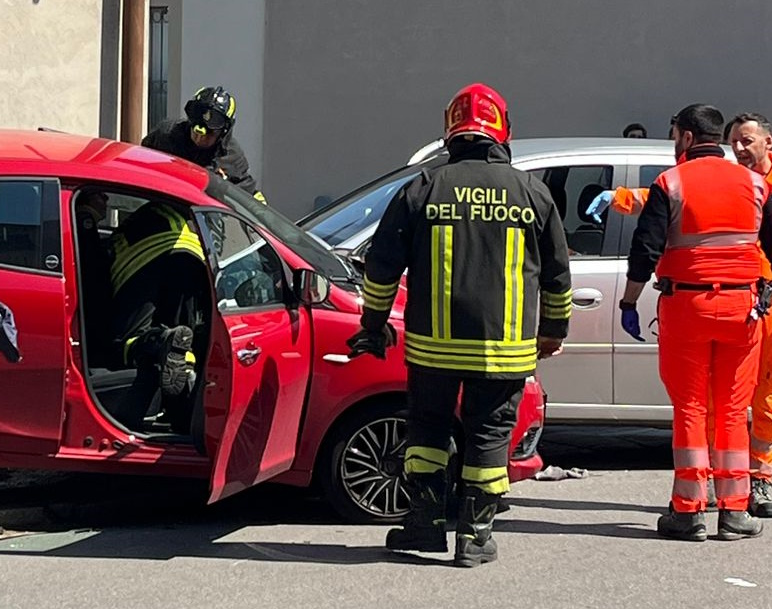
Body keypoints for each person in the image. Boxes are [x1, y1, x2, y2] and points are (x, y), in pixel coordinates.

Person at [346, 83, 572, 567]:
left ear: (450, 132)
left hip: (433, 349)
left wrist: (374, 322)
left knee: (427, 432)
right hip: (504, 349)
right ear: (502, 131)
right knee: (489, 436)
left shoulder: (422, 188)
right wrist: (554, 331)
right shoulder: (532, 192)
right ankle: (475, 537)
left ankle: (423, 526)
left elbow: (381, 267)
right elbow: (557, 275)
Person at [620, 103, 772, 542]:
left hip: (687, 307)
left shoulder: (671, 183)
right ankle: (735, 512)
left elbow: (644, 250)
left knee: (690, 407)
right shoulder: (755, 184)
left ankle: (688, 511)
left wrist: (630, 302)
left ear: (687, 138)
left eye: (673, 137)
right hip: (743, 308)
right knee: (731, 409)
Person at [108, 201, 210, 432]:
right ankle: (181, 419)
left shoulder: (146, 215)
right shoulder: (228, 183)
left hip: (153, 255)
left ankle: (160, 341)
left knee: (126, 345)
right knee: (183, 341)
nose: (104, 201)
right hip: (179, 252)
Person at [727, 112, 772, 517]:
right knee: (726, 396)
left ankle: (761, 481)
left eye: (747, 141)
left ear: (767, 143)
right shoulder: (732, 184)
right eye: (735, 142)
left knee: (767, 400)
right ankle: (723, 481)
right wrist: (618, 197)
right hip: (742, 302)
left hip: (767, 303)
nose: (739, 149)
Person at [142, 86, 266, 203]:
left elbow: (249, 196)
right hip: (161, 204)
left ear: (223, 133)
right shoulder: (167, 135)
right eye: (195, 130)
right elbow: (141, 162)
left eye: (209, 134)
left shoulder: (231, 156)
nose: (199, 137)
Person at [74, 190, 113, 366]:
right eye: (101, 196)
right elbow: (91, 261)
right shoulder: (84, 220)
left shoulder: (83, 219)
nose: (106, 199)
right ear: (89, 199)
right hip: (87, 290)